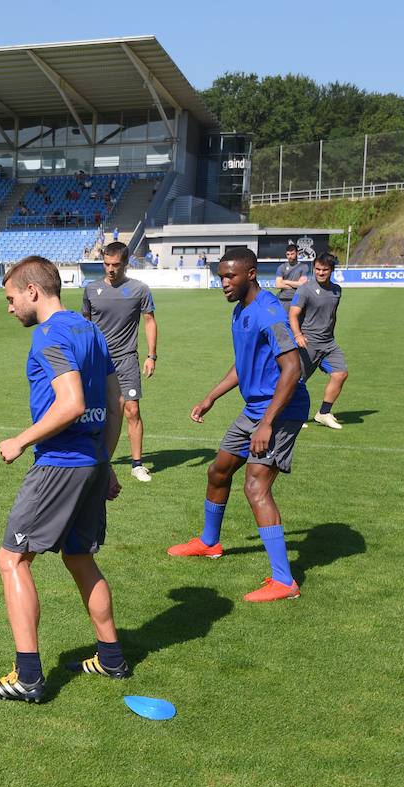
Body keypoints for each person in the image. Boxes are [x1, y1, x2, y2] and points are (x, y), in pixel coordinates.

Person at [0, 257, 125, 703]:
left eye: (11, 298)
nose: (9, 308)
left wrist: (20, 440)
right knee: (79, 557)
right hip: (91, 461)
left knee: (12, 559)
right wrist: (105, 461)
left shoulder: (50, 334)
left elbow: (72, 402)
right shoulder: (90, 330)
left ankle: (28, 676)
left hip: (60, 463)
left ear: (33, 291)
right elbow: (115, 402)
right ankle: (111, 657)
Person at [167, 247, 307, 603]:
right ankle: (209, 542)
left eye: (230, 276)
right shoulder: (240, 310)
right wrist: (211, 396)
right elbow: (244, 363)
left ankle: (284, 581)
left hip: (281, 409)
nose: (224, 283)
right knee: (218, 470)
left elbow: (292, 369)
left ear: (251, 274)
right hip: (256, 407)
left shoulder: (269, 312)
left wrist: (267, 423)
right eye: (221, 277)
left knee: (256, 486)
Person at [82, 241, 158, 482]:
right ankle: (96, 458)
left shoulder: (139, 290)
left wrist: (151, 356)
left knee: (132, 410)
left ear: (125, 263)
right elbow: (85, 325)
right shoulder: (91, 289)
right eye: (106, 264)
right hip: (98, 361)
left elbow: (149, 321)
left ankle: (137, 465)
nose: (110, 269)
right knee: (96, 411)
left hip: (126, 360)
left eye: (115, 265)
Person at [288, 252, 348, 430]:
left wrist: (331, 334)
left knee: (340, 374)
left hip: (329, 343)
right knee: (295, 381)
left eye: (325, 270)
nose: (320, 273)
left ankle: (323, 413)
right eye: (317, 269)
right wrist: (298, 335)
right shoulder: (305, 289)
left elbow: (332, 315)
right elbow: (293, 314)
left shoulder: (337, 290)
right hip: (308, 342)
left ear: (332, 270)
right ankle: (290, 415)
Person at [274, 242, 308, 309]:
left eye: (292, 254)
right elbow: (278, 285)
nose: (290, 256)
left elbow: (302, 285)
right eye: (288, 254)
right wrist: (295, 286)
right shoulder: (281, 267)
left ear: (297, 253)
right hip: (283, 299)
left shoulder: (304, 267)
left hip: (297, 298)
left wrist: (285, 281)